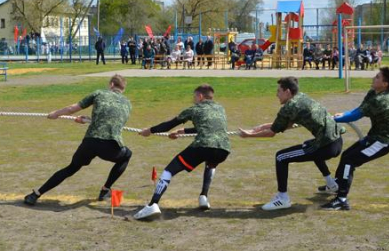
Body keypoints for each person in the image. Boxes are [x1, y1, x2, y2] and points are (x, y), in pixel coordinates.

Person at [24, 75, 132, 205]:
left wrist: (55, 114)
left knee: (72, 168)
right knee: (127, 155)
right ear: (122, 89)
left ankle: (35, 195)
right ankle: (105, 189)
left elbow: (72, 109)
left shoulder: (99, 93)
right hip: (111, 146)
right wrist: (87, 120)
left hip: (90, 142)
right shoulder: (127, 103)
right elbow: (111, 121)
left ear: (111, 85)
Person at [239, 77, 343, 210]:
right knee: (308, 145)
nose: (276, 94)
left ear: (287, 92)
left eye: (279, 91)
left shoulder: (290, 106)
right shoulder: (302, 98)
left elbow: (272, 133)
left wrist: (249, 135)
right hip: (337, 141)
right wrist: (261, 127)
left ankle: (283, 198)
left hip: (326, 146)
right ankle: (331, 184)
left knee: (281, 157)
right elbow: (285, 124)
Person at [134, 84, 231, 219]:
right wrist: (183, 131)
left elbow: (169, 125)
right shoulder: (220, 108)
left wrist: (149, 131)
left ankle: (153, 204)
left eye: (194, 96)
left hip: (203, 146)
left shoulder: (194, 109)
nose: (193, 99)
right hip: (223, 148)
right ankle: (204, 196)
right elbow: (207, 127)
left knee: (169, 170)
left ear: (200, 96)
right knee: (211, 163)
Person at [322, 67, 389, 210]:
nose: (373, 78)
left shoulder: (381, 100)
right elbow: (357, 110)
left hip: (383, 142)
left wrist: (334, 119)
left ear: (385, 84)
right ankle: (338, 185)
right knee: (346, 156)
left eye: (377, 77)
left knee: (349, 161)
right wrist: (342, 115)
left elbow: (355, 116)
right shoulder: (373, 93)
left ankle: (341, 199)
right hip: (374, 137)